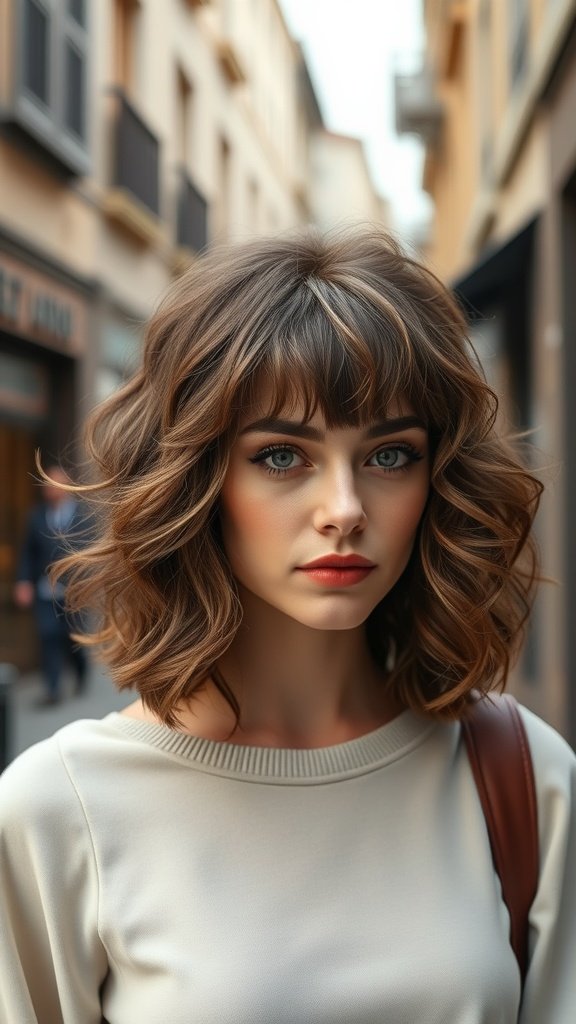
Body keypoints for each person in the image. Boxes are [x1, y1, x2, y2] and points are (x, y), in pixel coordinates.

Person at [0, 228, 574, 1023]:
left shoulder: (521, 778)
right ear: (196, 478)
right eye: (281, 456)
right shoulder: (58, 810)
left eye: (389, 456)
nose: (343, 510)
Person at [13, 464, 88, 705]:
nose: (51, 488)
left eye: (55, 483)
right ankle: (53, 690)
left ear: (66, 486)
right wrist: (23, 581)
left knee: (73, 638)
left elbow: (88, 550)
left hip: (74, 590)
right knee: (48, 636)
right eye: (47, 484)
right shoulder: (36, 516)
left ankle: (80, 672)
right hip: (45, 589)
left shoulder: (83, 515)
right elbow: (28, 553)